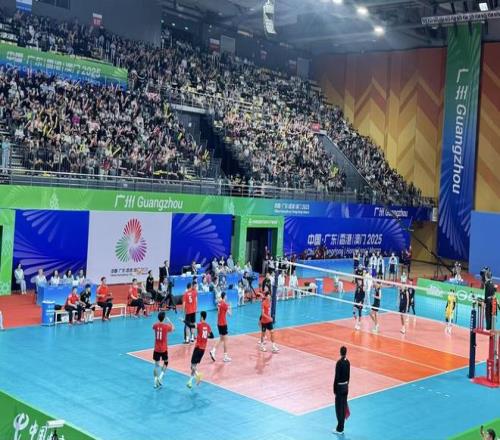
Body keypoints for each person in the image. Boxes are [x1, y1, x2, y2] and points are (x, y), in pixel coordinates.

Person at [187, 310, 214, 389]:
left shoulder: (199, 325)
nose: (199, 318)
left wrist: (183, 321)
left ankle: (198, 375)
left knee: (192, 366)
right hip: (203, 350)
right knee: (194, 366)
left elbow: (191, 325)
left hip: (198, 347)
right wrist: (206, 336)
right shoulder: (208, 326)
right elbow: (212, 336)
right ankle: (190, 381)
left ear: (202, 317)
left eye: (200, 316)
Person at [152, 311, 174, 389]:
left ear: (158, 318)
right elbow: (173, 328)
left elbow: (153, 327)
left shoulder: (155, 325)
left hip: (156, 349)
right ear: (164, 318)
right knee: (166, 362)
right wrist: (169, 321)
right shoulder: (166, 326)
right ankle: (160, 377)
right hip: (164, 349)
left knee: (156, 366)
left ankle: (155, 382)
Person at [210, 291, 232, 362]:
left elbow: (218, 313)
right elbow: (230, 314)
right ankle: (225, 357)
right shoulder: (224, 304)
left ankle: (213, 351)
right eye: (226, 295)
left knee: (221, 339)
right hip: (223, 324)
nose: (227, 297)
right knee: (225, 340)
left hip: (219, 323)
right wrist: (230, 307)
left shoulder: (219, 303)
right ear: (224, 296)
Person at [333, 346, 350, 435]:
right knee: (343, 407)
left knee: (339, 408)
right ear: (346, 352)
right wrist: (347, 385)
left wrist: (334, 389)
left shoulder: (339, 363)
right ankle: (341, 427)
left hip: (339, 388)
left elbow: (337, 377)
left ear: (340, 352)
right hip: (346, 387)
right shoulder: (348, 362)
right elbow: (348, 375)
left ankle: (339, 429)